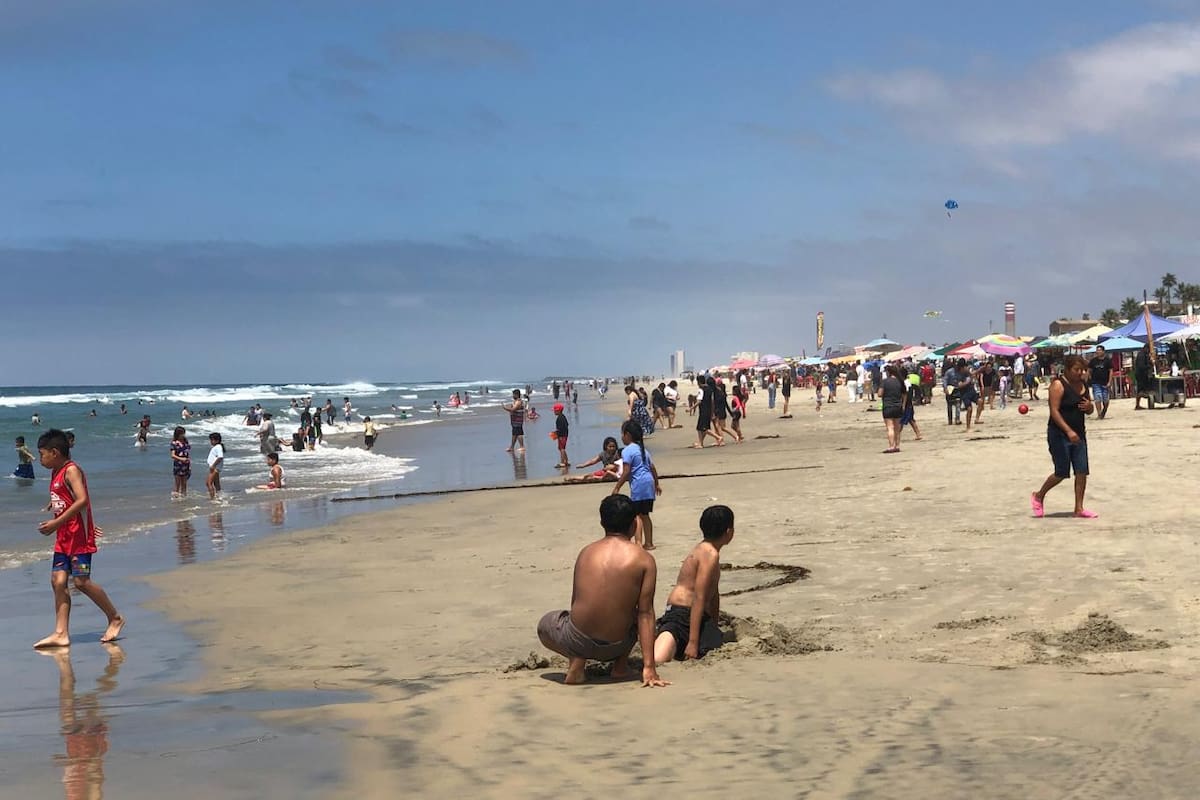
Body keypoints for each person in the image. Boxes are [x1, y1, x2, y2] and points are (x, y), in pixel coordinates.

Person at [536, 495, 668, 687]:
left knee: (546, 623)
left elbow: (577, 601)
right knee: (633, 612)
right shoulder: (644, 559)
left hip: (578, 640)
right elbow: (646, 613)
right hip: (618, 644)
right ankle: (620, 667)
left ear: (601, 523)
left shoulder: (586, 552)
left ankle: (578, 661)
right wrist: (649, 667)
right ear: (634, 525)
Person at [33, 429, 124, 648]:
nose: (39, 459)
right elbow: (66, 496)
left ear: (55, 452)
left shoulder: (71, 470)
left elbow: (82, 500)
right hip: (64, 538)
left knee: (81, 582)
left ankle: (115, 617)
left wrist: (55, 523)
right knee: (58, 581)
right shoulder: (56, 471)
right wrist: (53, 504)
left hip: (78, 537)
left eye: (42, 454)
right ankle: (61, 633)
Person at [653, 505, 735, 664]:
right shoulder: (709, 554)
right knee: (661, 655)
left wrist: (714, 624)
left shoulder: (706, 550)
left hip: (688, 612)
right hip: (682, 611)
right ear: (729, 532)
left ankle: (672, 640)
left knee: (713, 640)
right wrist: (693, 642)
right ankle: (667, 640)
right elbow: (699, 596)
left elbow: (713, 594)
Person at [1031, 355, 1097, 519]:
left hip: (1079, 433)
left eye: (1082, 370)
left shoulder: (1083, 385)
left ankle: (1079, 508)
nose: (1079, 373)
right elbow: (1054, 411)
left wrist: (1090, 407)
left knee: (1082, 471)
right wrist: (1068, 431)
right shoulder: (1058, 385)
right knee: (1061, 472)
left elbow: (1088, 410)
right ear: (1067, 369)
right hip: (1059, 434)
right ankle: (1039, 495)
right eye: (1076, 370)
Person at [611, 420, 662, 550]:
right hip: (648, 483)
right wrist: (656, 484)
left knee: (637, 515)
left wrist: (617, 486)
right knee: (645, 515)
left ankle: (638, 543)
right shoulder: (643, 450)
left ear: (627, 435)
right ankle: (649, 543)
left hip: (639, 484)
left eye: (622, 434)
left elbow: (627, 471)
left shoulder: (627, 451)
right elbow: (652, 468)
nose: (621, 437)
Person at [880, 364, 905, 453]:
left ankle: (891, 446)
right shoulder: (900, 381)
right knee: (897, 428)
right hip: (898, 406)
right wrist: (903, 405)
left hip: (887, 406)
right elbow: (904, 395)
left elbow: (880, 394)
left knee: (890, 427)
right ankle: (897, 445)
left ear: (888, 372)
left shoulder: (885, 382)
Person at [1088, 345, 1113, 420]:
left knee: (1106, 399)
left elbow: (1111, 371)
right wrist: (1090, 378)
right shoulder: (1093, 361)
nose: (1098, 352)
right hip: (1096, 382)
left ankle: (1104, 411)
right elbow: (1089, 370)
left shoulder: (1107, 361)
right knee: (1097, 398)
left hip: (1105, 383)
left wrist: (1109, 381)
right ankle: (1099, 413)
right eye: (1097, 350)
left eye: (1099, 350)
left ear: (1103, 351)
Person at [898, 370, 923, 443]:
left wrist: (903, 404)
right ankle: (918, 434)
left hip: (906, 404)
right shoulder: (908, 382)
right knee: (911, 420)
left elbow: (906, 395)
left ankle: (897, 435)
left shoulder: (905, 383)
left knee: (902, 420)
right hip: (909, 404)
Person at [170, 426, 191, 497]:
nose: (183, 435)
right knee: (177, 483)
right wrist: (181, 459)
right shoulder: (174, 443)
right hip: (178, 465)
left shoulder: (186, 442)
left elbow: (187, 454)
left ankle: (183, 498)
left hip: (186, 465)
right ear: (178, 434)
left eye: (184, 433)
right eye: (182, 433)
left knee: (184, 483)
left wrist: (190, 465)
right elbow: (172, 455)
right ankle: (175, 499)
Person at [1134, 344, 1153, 410]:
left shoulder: (1144, 354)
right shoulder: (1141, 355)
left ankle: (1138, 404)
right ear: (1146, 348)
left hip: (1142, 374)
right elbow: (1141, 366)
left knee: (1141, 389)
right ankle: (1138, 404)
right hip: (1140, 375)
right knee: (1141, 390)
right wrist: (1149, 366)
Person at [206, 433, 224, 499]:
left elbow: (220, 457)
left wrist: (213, 465)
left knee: (208, 483)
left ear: (216, 440)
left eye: (211, 440)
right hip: (216, 468)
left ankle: (212, 498)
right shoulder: (217, 447)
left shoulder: (218, 447)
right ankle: (219, 496)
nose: (210, 441)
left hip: (215, 468)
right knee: (216, 484)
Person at [553, 403, 569, 468]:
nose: (554, 412)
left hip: (562, 436)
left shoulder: (560, 418)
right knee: (561, 448)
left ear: (558, 410)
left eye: (555, 410)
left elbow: (560, 428)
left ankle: (562, 462)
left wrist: (557, 434)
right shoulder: (563, 416)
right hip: (564, 435)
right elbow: (567, 425)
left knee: (562, 448)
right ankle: (566, 460)